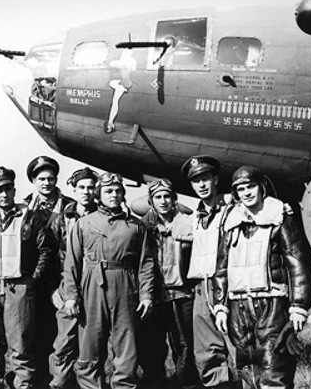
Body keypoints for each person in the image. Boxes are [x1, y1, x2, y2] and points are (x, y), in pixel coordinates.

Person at [213, 166, 311, 389]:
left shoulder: (279, 216)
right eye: (240, 189)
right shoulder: (230, 222)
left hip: (272, 306)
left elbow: (297, 261)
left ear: (262, 188)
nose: (246, 193)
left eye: (250, 187)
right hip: (238, 308)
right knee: (247, 369)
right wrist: (220, 306)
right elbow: (221, 266)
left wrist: (298, 306)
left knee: (274, 369)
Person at [63, 172, 155, 389]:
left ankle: (124, 385)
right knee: (90, 343)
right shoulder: (84, 224)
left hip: (125, 283)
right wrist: (71, 296)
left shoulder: (135, 226)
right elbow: (72, 263)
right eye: (108, 191)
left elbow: (146, 263)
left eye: (117, 191)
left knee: (125, 343)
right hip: (93, 283)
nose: (113, 195)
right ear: (98, 194)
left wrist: (147, 294)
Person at [0, 166, 54, 389]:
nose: (4, 194)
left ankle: (24, 385)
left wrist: (32, 281)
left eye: (7, 189)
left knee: (20, 343)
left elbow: (45, 250)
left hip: (18, 286)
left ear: (14, 190)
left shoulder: (30, 216)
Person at [139, 178, 201, 389]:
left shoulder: (188, 223)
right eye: (158, 197)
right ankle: (157, 383)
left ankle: (187, 382)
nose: (163, 201)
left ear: (174, 199)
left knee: (184, 344)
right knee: (152, 346)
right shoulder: (143, 226)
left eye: (167, 196)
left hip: (182, 293)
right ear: (151, 201)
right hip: (153, 294)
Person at [181, 155, 234, 389]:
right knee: (206, 353)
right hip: (202, 289)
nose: (201, 185)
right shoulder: (195, 216)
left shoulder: (233, 208)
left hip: (228, 285)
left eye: (205, 179)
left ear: (215, 179)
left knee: (238, 346)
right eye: (196, 181)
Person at [24, 155, 74, 384]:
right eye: (41, 178)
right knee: (33, 335)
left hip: (61, 278)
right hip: (33, 280)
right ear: (33, 181)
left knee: (62, 336)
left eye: (51, 178)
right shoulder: (23, 207)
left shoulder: (70, 207)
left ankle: (63, 382)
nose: (46, 183)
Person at [49, 167, 99, 389]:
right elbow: (48, 255)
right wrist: (54, 289)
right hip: (66, 286)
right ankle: (59, 384)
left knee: (92, 345)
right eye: (82, 187)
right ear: (73, 188)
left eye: (91, 187)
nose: (86, 192)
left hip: (95, 287)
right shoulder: (60, 219)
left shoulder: (103, 216)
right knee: (64, 343)